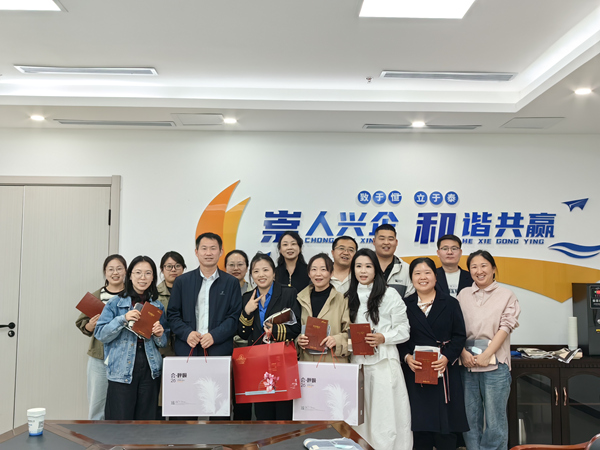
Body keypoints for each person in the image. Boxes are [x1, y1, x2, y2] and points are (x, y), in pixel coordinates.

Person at [398, 257, 469, 450]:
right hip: (415, 371)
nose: (423, 277)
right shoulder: (404, 304)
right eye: (417, 273)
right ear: (411, 278)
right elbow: (399, 338)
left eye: (427, 272)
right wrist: (407, 357)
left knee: (446, 429)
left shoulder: (450, 303)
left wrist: (447, 358)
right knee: (419, 428)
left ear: (436, 277)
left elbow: (459, 336)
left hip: (444, 370)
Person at [348, 248, 412, 450]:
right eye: (358, 266)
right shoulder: (347, 296)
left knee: (384, 416)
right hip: (356, 365)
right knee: (359, 416)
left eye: (368, 266)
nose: (363, 271)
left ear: (376, 269)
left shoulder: (390, 294)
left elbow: (404, 330)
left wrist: (383, 337)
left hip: (384, 364)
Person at [458, 250, 521, 450]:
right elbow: (456, 328)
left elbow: (505, 327)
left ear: (493, 268)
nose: (479, 271)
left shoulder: (506, 295)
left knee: (495, 420)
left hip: (496, 366)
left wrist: (487, 354)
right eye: (474, 267)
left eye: (484, 265)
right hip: (467, 364)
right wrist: (462, 353)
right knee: (470, 418)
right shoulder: (463, 295)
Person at [95, 255, 167, 420]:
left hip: (150, 367)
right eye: (138, 272)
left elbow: (163, 342)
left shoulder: (157, 305)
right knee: (120, 420)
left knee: (146, 420)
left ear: (153, 277)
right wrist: (123, 318)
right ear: (130, 275)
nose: (143, 277)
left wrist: (159, 334)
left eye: (148, 273)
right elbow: (101, 334)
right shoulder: (115, 303)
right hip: (121, 366)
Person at [238, 252, 301, 420]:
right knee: (262, 412)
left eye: (265, 270)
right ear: (251, 275)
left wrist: (275, 330)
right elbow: (242, 332)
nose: (261, 275)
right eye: (256, 271)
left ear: (274, 273)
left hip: (281, 360)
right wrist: (247, 311)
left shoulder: (288, 293)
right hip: (258, 361)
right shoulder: (247, 298)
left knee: (284, 411)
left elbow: (296, 327)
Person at [167, 233, 242, 360]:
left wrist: (214, 336)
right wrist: (187, 333)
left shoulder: (231, 282)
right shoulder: (182, 282)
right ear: (196, 252)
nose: (208, 253)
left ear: (221, 252)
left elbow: (234, 317)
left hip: (219, 350)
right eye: (204, 248)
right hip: (188, 349)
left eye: (213, 248)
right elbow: (173, 314)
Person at [75, 254, 127, 420]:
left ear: (126, 271)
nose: (115, 273)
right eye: (111, 269)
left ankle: (119, 435)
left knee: (121, 404)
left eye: (119, 268)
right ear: (105, 272)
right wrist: (90, 325)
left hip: (125, 357)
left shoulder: (132, 296)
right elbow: (82, 324)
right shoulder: (95, 296)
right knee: (97, 404)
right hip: (99, 356)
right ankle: (96, 435)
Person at [297, 253, 350, 362]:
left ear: (331, 273)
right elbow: (293, 330)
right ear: (309, 273)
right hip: (307, 362)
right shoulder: (300, 299)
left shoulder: (343, 300)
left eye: (323, 269)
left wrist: (337, 340)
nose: (318, 274)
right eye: (314, 269)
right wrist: (298, 340)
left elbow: (351, 334)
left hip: (333, 362)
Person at [157, 251, 187, 356]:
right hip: (163, 348)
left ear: (183, 268)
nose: (173, 270)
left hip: (186, 344)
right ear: (162, 269)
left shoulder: (191, 292)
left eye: (177, 266)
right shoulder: (155, 294)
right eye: (169, 266)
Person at [373, 224, 415, 297]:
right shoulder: (362, 267)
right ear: (374, 241)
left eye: (390, 239)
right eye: (382, 239)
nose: (386, 242)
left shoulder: (406, 269)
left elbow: (410, 298)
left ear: (396, 242)